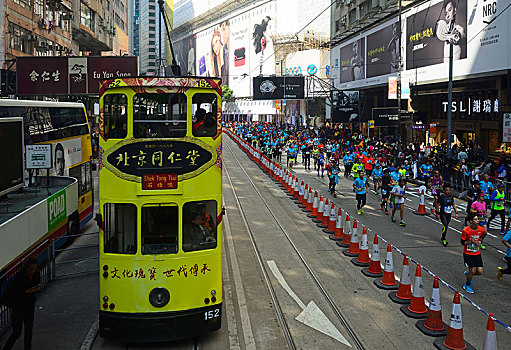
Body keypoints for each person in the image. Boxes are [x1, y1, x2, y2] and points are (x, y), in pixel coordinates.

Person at [1, 259, 41, 350]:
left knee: (29, 330)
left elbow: (36, 284)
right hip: (18, 308)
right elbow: (11, 294)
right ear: (26, 268)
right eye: (31, 269)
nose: (33, 272)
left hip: (29, 306)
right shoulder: (18, 279)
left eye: (35, 269)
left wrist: (36, 289)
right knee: (16, 332)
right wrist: (26, 291)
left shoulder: (36, 274)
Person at [461, 214, 484, 294]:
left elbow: (481, 237)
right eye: (475, 219)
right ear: (471, 221)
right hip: (468, 253)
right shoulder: (466, 230)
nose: (477, 221)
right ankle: (467, 285)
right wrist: (470, 242)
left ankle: (469, 274)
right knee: (472, 270)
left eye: (478, 219)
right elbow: (462, 242)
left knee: (480, 271)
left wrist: (479, 242)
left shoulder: (481, 230)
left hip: (477, 252)